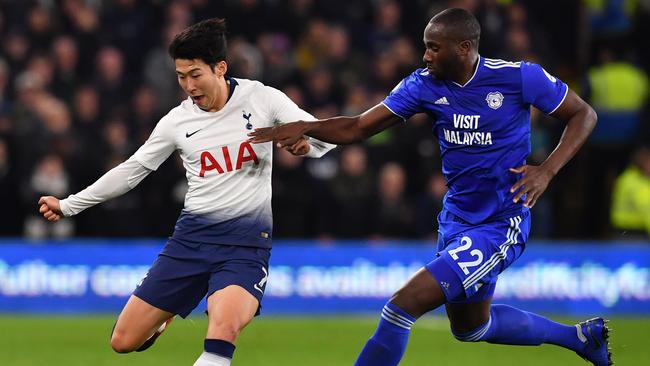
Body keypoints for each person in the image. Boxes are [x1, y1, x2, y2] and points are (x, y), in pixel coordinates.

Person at [250, 8, 611, 366]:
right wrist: (305, 126)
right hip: (456, 220)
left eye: (435, 47)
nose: (426, 55)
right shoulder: (422, 84)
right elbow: (359, 127)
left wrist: (546, 171)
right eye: (426, 46)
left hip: (500, 222)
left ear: (464, 48)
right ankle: (580, 338)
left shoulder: (520, 78)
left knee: (401, 306)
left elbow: (584, 115)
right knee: (471, 327)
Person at [37, 18, 335, 366]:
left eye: (195, 74)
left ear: (220, 68)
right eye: (181, 76)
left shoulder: (263, 99)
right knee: (122, 341)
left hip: (244, 246)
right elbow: (132, 171)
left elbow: (322, 135)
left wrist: (306, 145)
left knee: (222, 330)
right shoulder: (177, 122)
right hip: (190, 242)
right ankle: (167, 315)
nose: (188, 85)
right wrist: (70, 205)